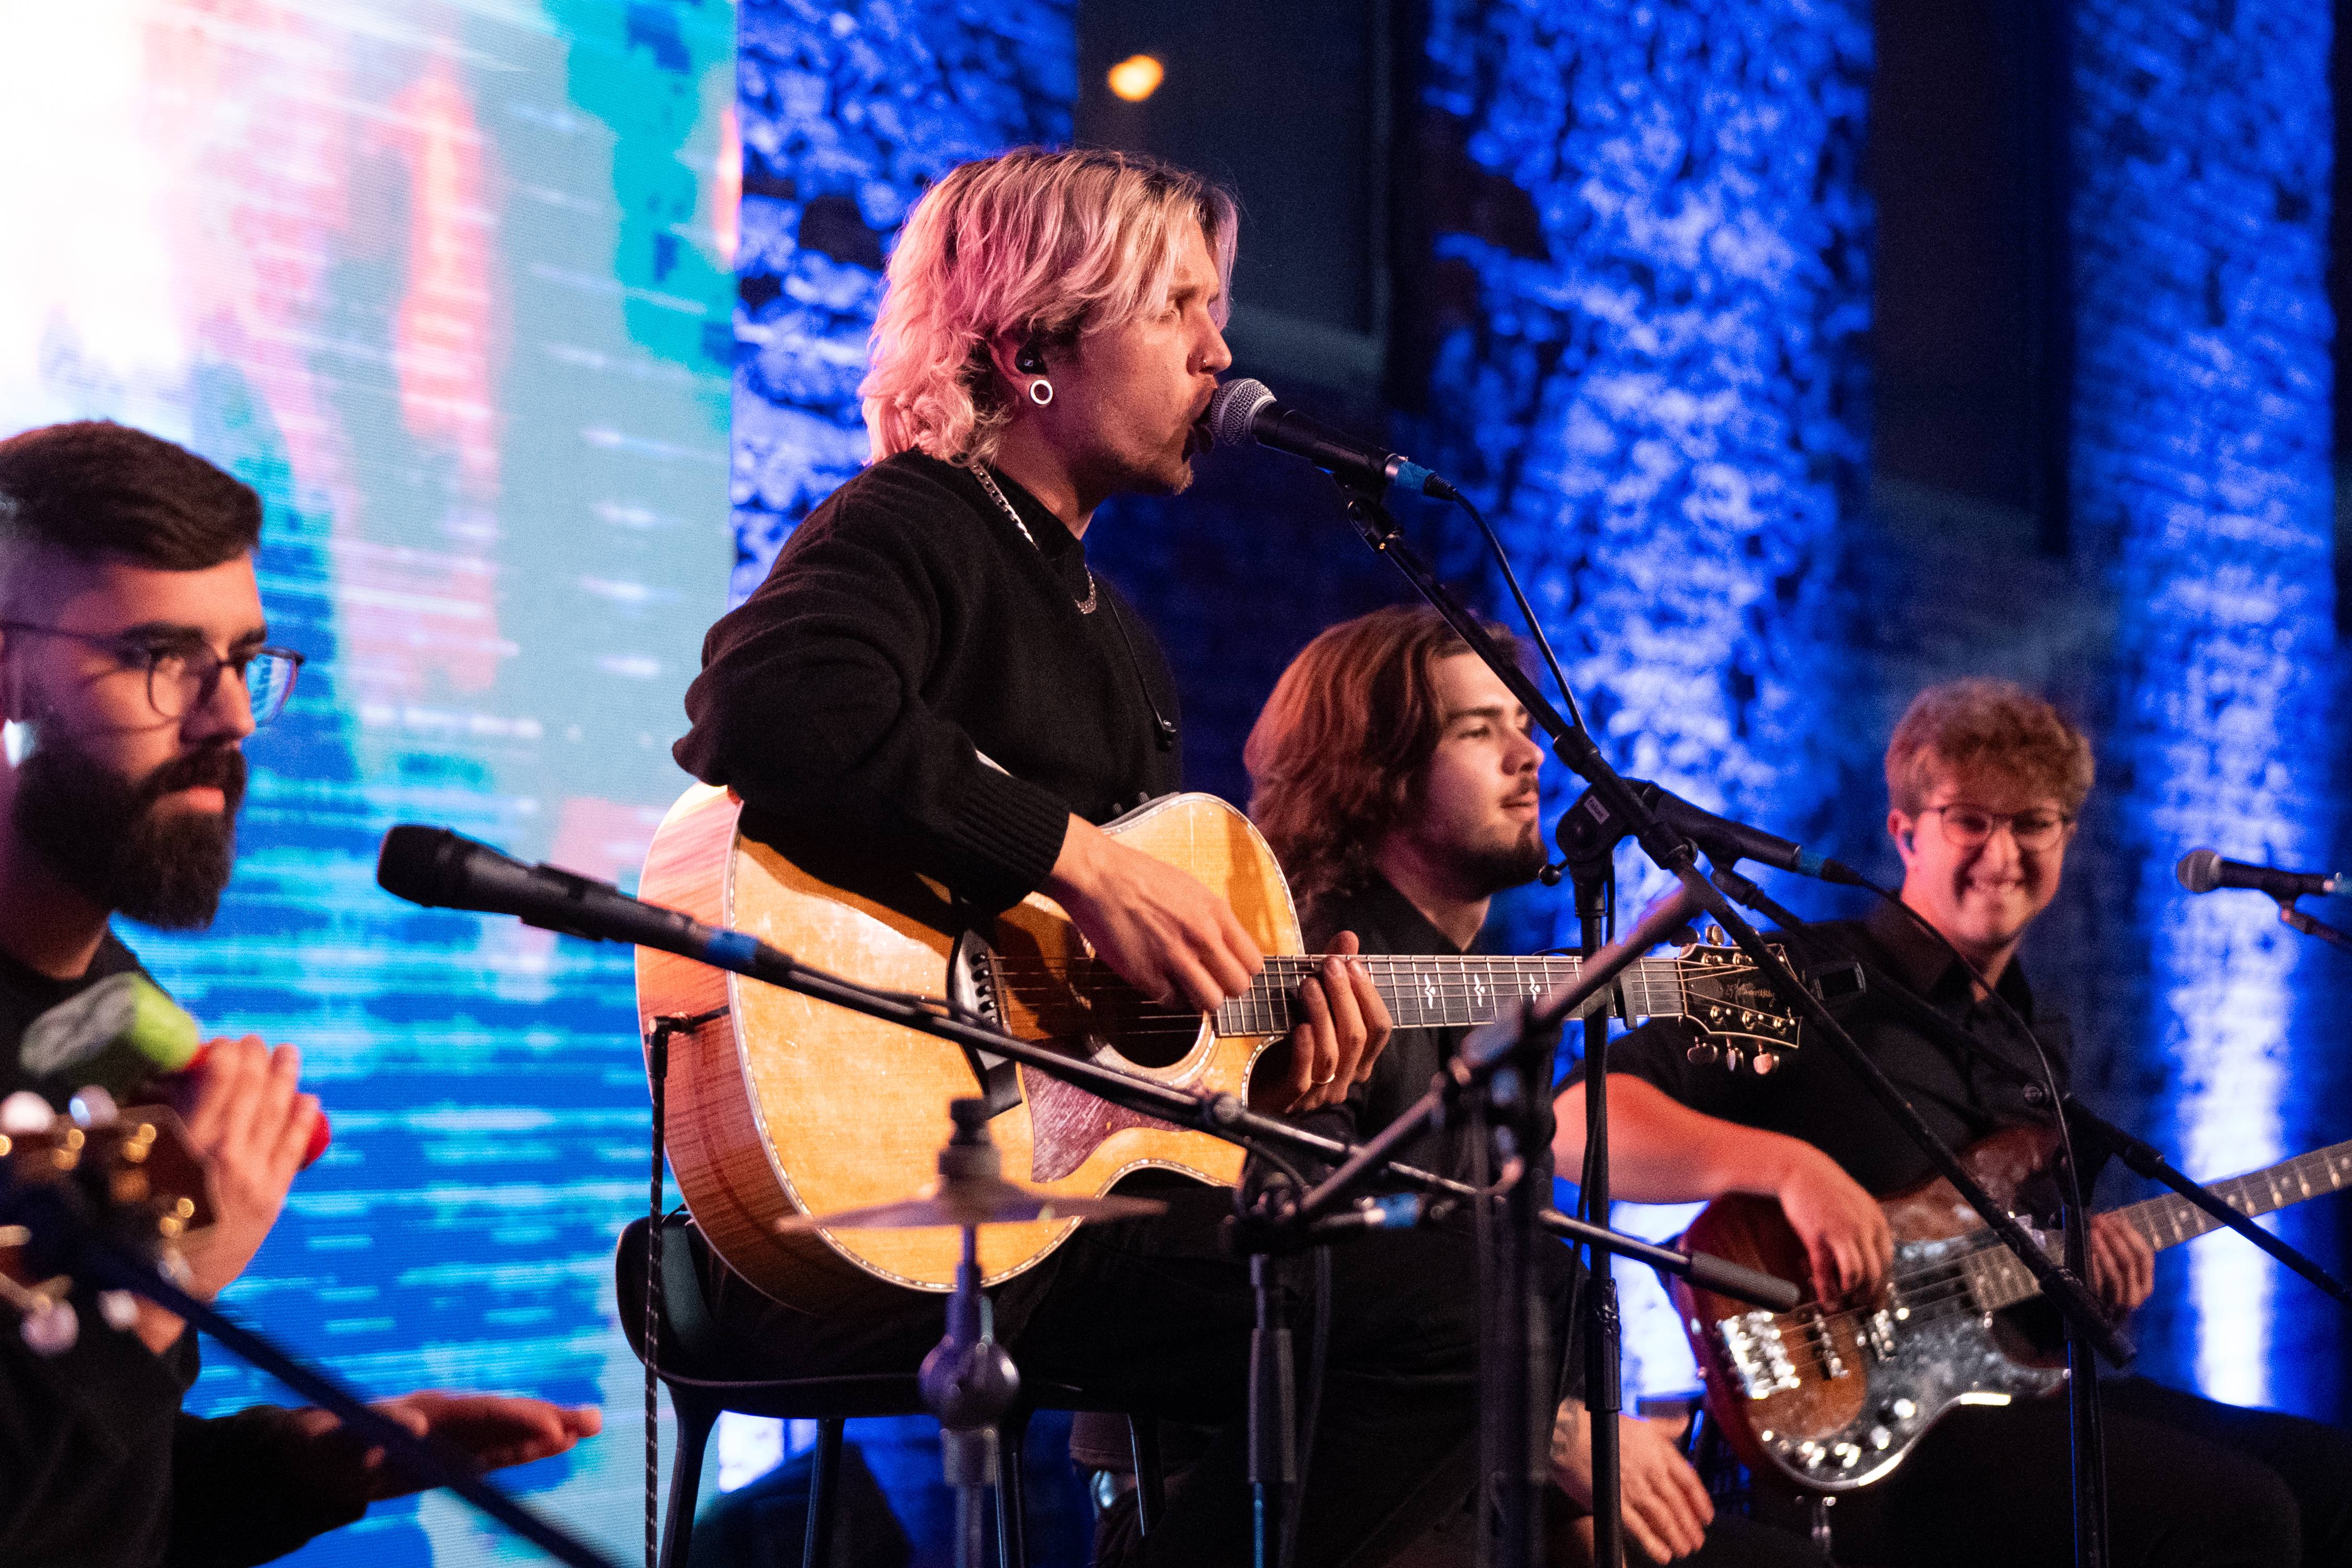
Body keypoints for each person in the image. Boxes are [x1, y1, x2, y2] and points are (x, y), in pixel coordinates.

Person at [670, 147, 1510, 1567]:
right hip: (895, 1201)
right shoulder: (917, 523)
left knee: (1454, 1278)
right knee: (1453, 1314)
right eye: (1179, 306)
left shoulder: (1116, 635)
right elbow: (766, 701)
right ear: (1033, 349)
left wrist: (1257, 1079)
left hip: (1068, 1207)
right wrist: (1076, 862)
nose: (1220, 351)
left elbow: (1116, 1055)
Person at [1554, 677, 2352, 1567]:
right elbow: (1576, 1122)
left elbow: (2004, 1304)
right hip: (1857, 1437)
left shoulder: (2034, 1043)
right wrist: (1788, 1169)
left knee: (2328, 1476)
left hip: (1999, 1399)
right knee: (2243, 1516)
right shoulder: (1800, 976)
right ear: (1906, 832)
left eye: (2033, 824)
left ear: (2067, 837)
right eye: (1970, 820)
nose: (2002, 854)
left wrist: (2082, 1283)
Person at [0, 420, 601, 1566]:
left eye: (242, 660)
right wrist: (167, 1281)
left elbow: (89, 1502)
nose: (230, 717)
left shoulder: (121, 1016)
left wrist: (298, 1468)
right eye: (159, 656)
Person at [1235, 604, 1818, 1568]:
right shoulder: (1314, 976)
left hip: (1468, 1490)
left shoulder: (1485, 998)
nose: (1530, 757)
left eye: (1522, 724)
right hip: (1314, 1501)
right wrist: (1557, 1436)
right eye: (1478, 731)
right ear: (1375, 775)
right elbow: (1310, 1295)